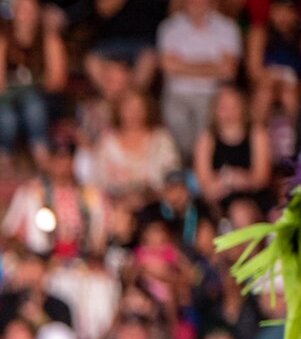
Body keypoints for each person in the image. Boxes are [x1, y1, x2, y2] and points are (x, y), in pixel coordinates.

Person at [0, 0, 65, 168]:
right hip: (8, 97)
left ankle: (40, 149)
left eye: (30, 10)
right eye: (22, 10)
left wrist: (31, 88)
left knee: (33, 104)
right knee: (5, 110)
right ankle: (5, 153)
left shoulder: (48, 37)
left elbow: (57, 79)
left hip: (42, 97)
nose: (25, 15)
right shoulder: (1, 38)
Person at [155, 0, 240, 154]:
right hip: (178, 93)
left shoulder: (227, 27)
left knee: (214, 120)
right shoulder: (169, 27)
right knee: (174, 119)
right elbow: (168, 67)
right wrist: (213, 65)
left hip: (214, 94)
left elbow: (228, 70)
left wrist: (183, 65)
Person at [3, 138, 107, 260]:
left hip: (85, 260)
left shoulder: (91, 194)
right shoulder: (30, 193)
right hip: (41, 260)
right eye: (58, 158)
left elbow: (103, 234)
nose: (63, 164)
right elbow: (11, 233)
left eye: (67, 158)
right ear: (49, 161)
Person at [81, 93, 179, 199]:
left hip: (154, 203)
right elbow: (97, 181)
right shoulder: (107, 142)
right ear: (119, 110)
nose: (134, 114)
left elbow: (172, 176)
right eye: (129, 109)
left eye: (139, 108)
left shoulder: (161, 139)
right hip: (114, 205)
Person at [191, 85, 272, 206]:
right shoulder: (206, 139)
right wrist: (226, 181)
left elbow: (261, 178)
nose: (230, 112)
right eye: (224, 107)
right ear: (215, 109)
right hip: (219, 198)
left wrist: (241, 179)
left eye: (234, 106)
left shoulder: (257, 134)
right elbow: (204, 182)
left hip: (253, 196)